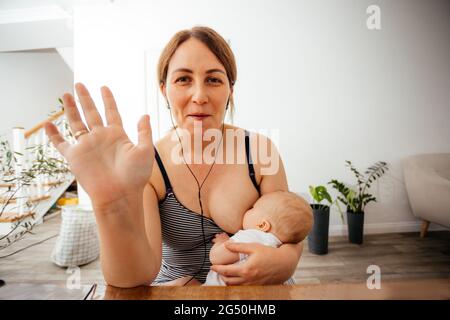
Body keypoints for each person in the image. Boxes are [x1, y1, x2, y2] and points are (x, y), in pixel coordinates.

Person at [44, 26, 306, 287]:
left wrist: (286, 262)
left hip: (256, 289)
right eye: (183, 79)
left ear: (231, 90)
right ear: (164, 90)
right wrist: (109, 206)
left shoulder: (259, 152)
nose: (199, 96)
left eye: (214, 79)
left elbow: (289, 229)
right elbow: (134, 277)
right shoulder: (147, 165)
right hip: (179, 288)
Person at [203, 191, 313, 286]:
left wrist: (222, 242)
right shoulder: (278, 245)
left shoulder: (252, 236)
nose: (248, 210)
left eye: (252, 208)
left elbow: (217, 257)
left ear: (262, 225)